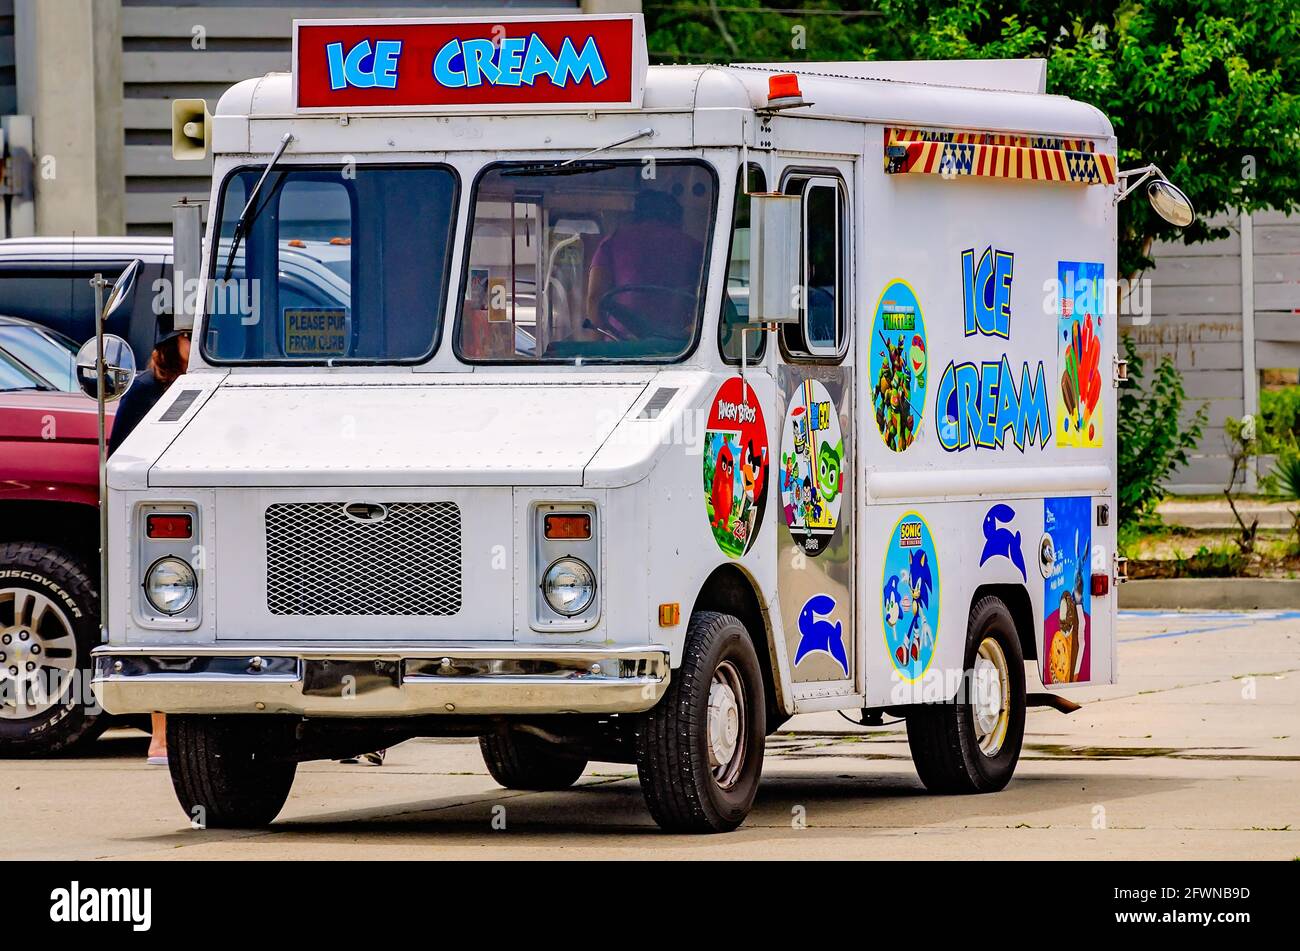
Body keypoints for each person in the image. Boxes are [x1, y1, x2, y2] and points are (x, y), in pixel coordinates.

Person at [108, 324, 190, 764]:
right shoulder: (145, 390)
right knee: (164, 621)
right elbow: (118, 458)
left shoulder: (214, 380)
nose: (196, 342)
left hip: (197, 508)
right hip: (160, 515)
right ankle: (159, 735)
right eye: (187, 335)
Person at [584, 189, 703, 343]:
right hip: (677, 346)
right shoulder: (694, 247)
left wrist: (596, 349)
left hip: (621, 344)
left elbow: (596, 297)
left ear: (636, 215)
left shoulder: (613, 241)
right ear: (676, 218)